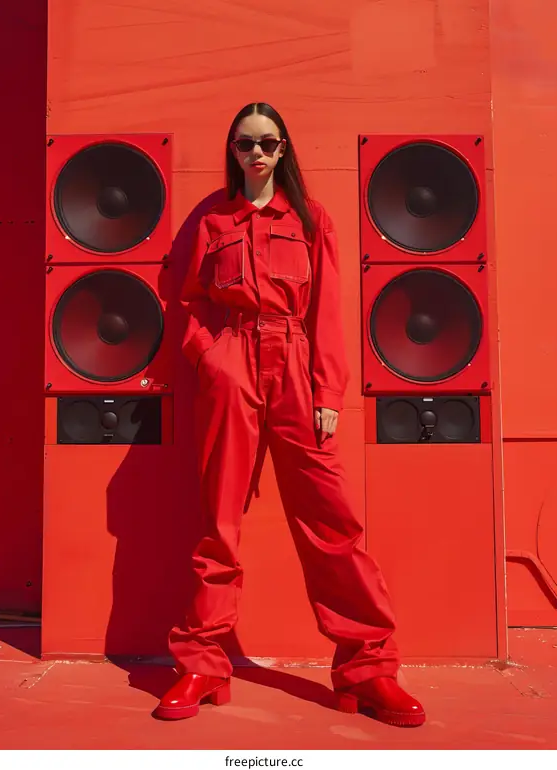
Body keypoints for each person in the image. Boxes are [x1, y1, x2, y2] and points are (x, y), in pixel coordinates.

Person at [154, 103, 425, 728]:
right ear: (233, 150)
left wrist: (328, 394)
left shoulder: (310, 219)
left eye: (269, 143)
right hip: (233, 365)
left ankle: (369, 669)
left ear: (283, 150)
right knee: (218, 522)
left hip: (296, 368)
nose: (257, 153)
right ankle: (200, 663)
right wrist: (210, 357)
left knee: (333, 525)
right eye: (246, 143)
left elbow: (328, 309)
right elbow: (188, 300)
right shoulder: (213, 218)